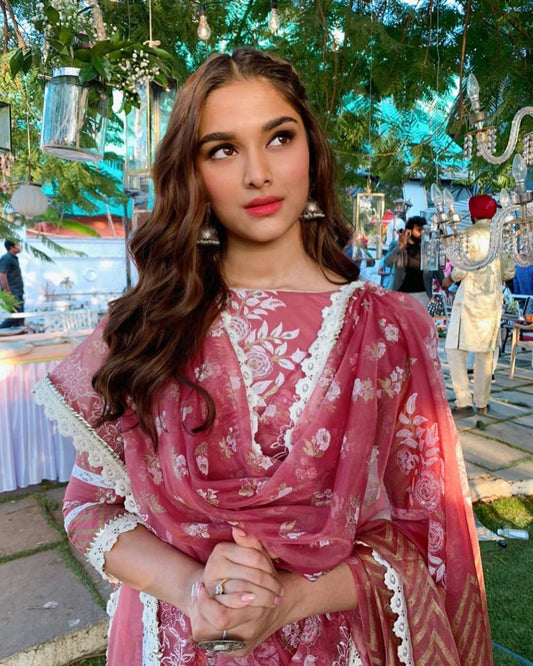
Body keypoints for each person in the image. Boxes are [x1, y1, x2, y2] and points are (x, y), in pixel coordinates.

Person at [34, 48, 492, 664]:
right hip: (173, 641)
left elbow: (427, 535)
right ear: (192, 172)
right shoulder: (147, 326)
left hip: (334, 642)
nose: (258, 173)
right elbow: (89, 509)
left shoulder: (388, 328)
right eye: (223, 149)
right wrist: (191, 588)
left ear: (312, 151)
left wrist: (290, 599)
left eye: (279, 138)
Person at [445, 194, 515, 416]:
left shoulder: (468, 234)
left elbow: (460, 269)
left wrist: (449, 280)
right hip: (492, 302)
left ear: (472, 213)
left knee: (454, 349)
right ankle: (482, 403)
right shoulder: (501, 237)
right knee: (486, 353)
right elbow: (509, 273)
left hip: (469, 301)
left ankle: (463, 401)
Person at [382, 215, 433, 306]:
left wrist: (443, 284)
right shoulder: (397, 244)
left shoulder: (426, 247)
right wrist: (400, 246)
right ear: (409, 231)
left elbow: (435, 267)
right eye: (419, 230)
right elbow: (387, 263)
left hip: (422, 293)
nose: (421, 233)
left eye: (423, 230)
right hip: (402, 293)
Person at [0, 239, 24, 328]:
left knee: (20, 318)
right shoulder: (6, 258)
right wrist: (8, 292)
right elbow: (2, 276)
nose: (20, 247)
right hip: (12, 293)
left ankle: (19, 335)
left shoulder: (13, 258)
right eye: (17, 245)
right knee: (15, 316)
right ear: (11, 247)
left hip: (18, 292)